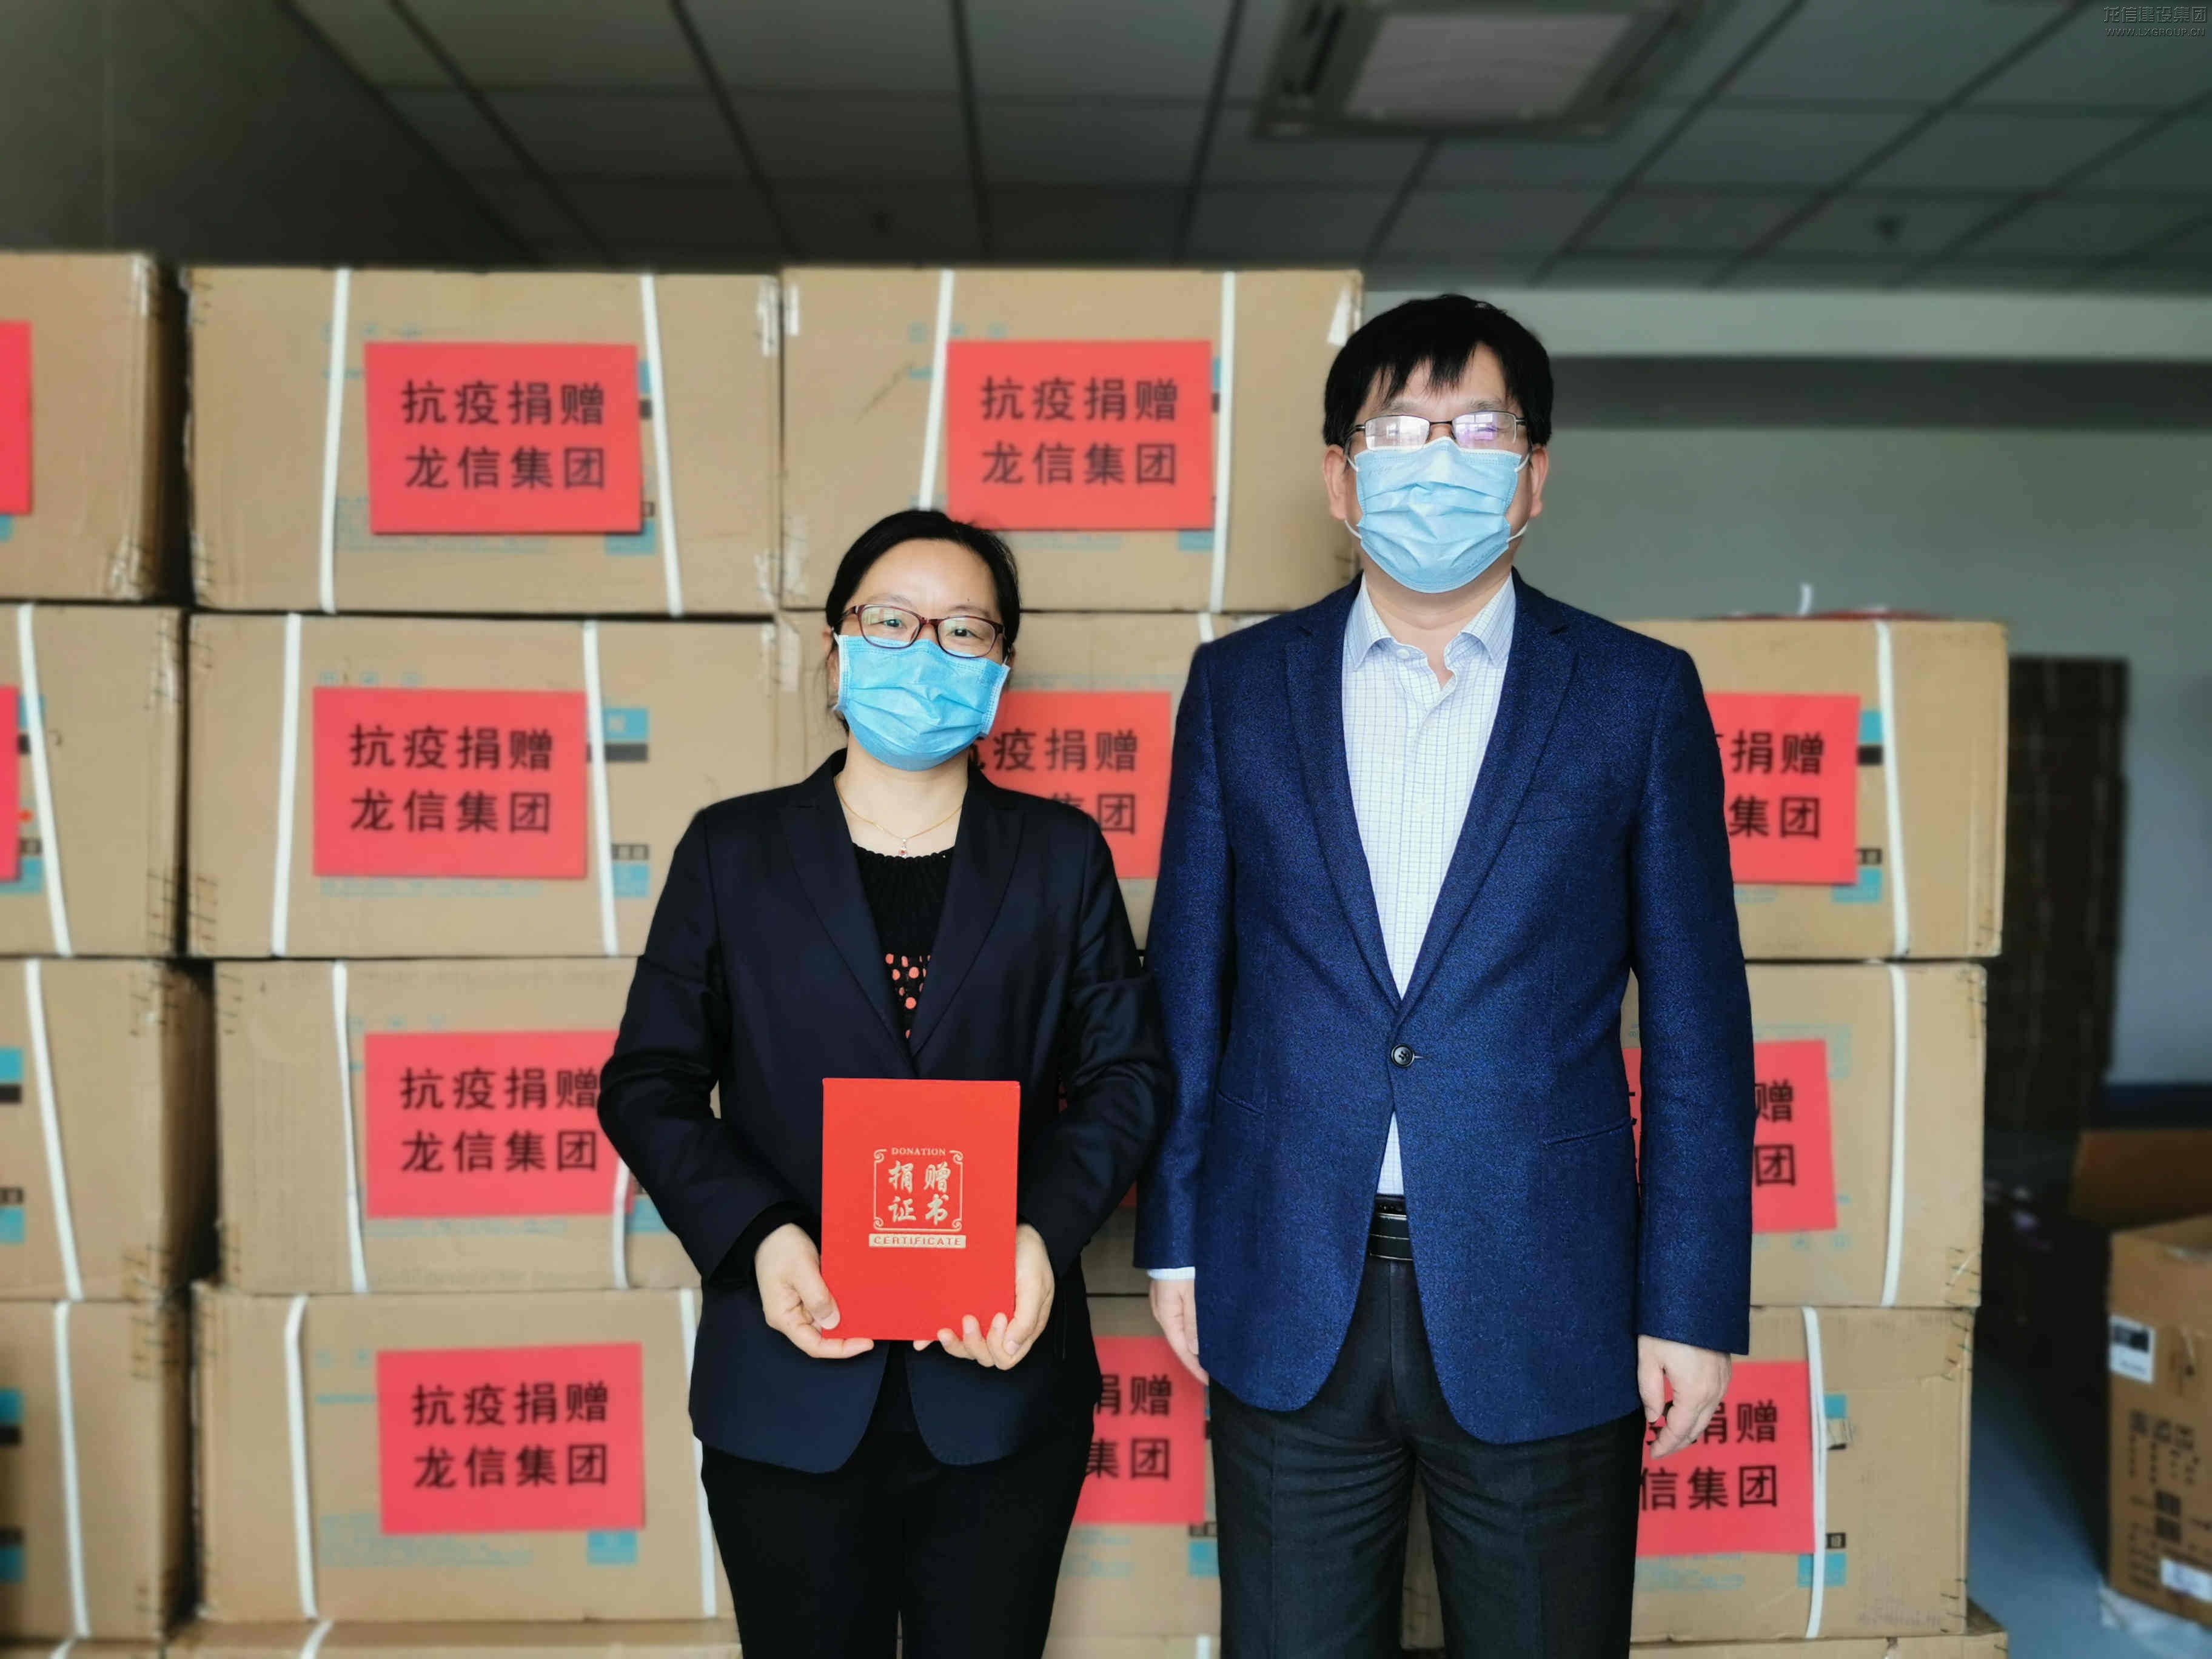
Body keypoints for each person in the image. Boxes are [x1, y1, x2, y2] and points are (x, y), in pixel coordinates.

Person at [1136, 295, 1755, 1658]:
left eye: (1477, 431)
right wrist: (1174, 1233)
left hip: (1552, 1288)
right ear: (1339, 476)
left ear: (1533, 476)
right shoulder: (1239, 690)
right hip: (1289, 1274)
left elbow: (1701, 1025)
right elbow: (1189, 980)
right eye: (1398, 432)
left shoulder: (1637, 696)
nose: (1437, 462)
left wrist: (1691, 1299)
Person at [599, 508, 1168, 1659]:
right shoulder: (734, 852)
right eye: (893, 621)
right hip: (788, 1378)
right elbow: (648, 1082)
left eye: (964, 630)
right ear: (835, 648)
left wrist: (1038, 1236)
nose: (926, 650)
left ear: (1001, 667)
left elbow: (1127, 1076)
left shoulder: (1059, 858)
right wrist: (761, 1239)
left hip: (999, 1382)